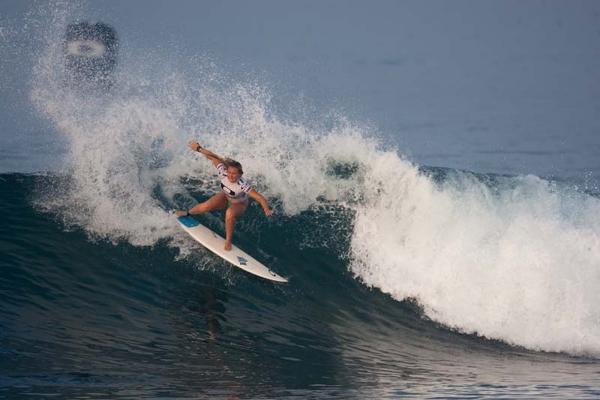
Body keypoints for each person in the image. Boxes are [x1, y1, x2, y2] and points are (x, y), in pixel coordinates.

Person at [176, 140, 273, 251]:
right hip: (225, 197)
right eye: (230, 173)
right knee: (206, 206)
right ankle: (187, 213)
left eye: (234, 174)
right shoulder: (223, 172)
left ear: (240, 174)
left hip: (239, 204)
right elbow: (213, 157)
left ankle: (228, 241)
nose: (231, 176)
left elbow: (260, 198)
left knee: (229, 213)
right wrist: (199, 149)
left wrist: (266, 210)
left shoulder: (242, 184)